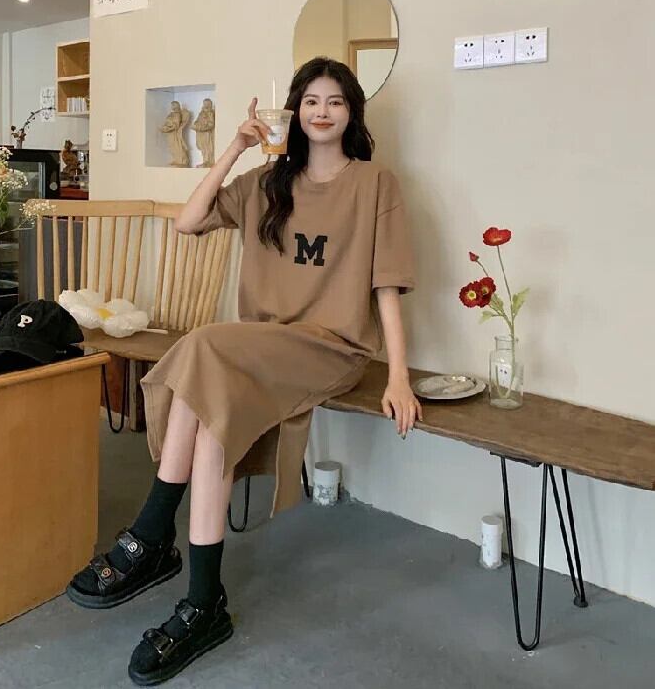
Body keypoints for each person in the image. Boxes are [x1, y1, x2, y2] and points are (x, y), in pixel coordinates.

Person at [66, 56, 423, 686]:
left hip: (331, 346)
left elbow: (387, 286)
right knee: (211, 423)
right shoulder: (266, 182)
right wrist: (234, 146)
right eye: (310, 100)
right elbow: (188, 221)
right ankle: (204, 602)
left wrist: (398, 376)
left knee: (203, 346)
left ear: (352, 113)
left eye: (335, 101)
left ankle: (152, 534)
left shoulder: (375, 184)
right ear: (294, 110)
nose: (322, 111)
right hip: (257, 348)